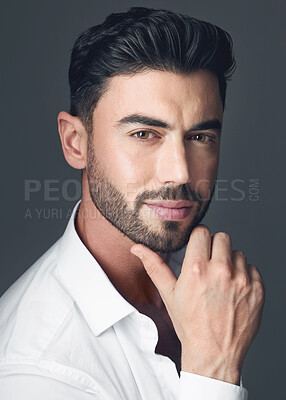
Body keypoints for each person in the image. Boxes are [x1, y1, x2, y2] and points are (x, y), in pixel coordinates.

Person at [0, 6, 265, 400]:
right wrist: (214, 374)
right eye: (144, 134)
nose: (180, 173)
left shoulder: (206, 286)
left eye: (200, 137)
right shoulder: (38, 373)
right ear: (76, 142)